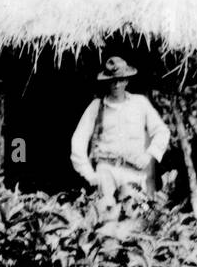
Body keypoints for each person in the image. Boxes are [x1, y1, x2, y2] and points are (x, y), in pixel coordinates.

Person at [70, 56, 170, 201]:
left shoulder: (140, 103)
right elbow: (78, 140)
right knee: (106, 218)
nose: (116, 85)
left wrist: (149, 155)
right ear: (107, 82)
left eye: (120, 80)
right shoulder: (97, 107)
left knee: (134, 216)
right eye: (112, 81)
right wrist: (89, 174)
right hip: (106, 172)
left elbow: (162, 131)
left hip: (134, 173)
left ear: (127, 80)